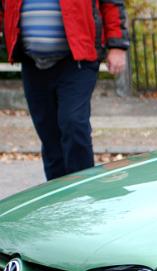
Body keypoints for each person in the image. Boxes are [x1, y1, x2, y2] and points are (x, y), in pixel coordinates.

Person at [0, 0, 129, 180]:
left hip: (77, 60)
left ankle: (82, 192)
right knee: (49, 134)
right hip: (32, 61)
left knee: (73, 123)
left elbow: (111, 3)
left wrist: (117, 45)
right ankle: (58, 199)